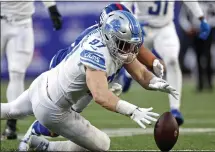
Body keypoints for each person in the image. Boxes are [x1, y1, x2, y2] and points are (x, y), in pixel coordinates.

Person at [1, 10, 178, 151]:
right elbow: (101, 95)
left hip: (43, 82)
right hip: (52, 108)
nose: (130, 50)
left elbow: (140, 73)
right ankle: (44, 145)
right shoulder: (98, 55)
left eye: (132, 45)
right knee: (103, 144)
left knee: (11, 109)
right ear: (111, 38)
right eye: (125, 45)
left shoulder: (109, 39)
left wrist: (158, 83)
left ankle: (35, 138)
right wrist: (132, 110)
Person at [120, 1, 211, 126]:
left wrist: (201, 17)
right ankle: (128, 75)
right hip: (141, 26)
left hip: (164, 28)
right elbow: (124, 6)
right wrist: (133, 23)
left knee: (173, 61)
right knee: (130, 58)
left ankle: (175, 109)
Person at [0, 1, 62, 140]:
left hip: (22, 24)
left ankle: (11, 124)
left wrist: (51, 7)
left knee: (17, 72)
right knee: (17, 72)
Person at [179, 1, 215, 92]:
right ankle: (200, 84)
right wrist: (188, 27)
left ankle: (210, 83)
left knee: (208, 56)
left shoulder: (212, 2)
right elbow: (182, 17)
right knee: (198, 57)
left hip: (208, 32)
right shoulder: (189, 3)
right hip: (195, 32)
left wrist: (209, 24)